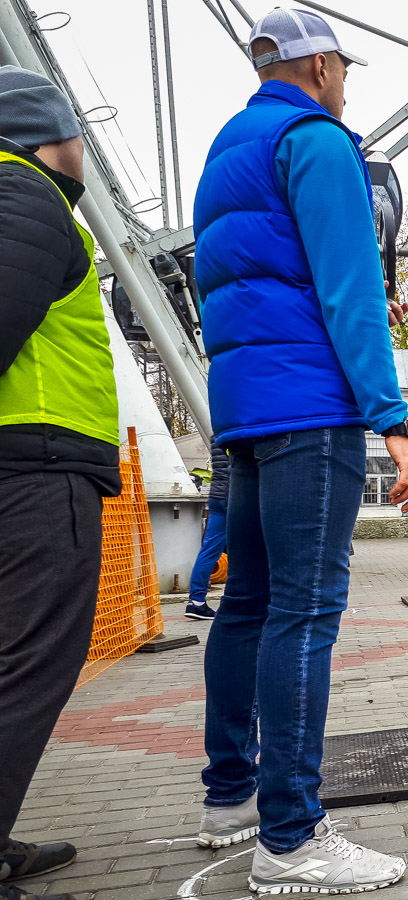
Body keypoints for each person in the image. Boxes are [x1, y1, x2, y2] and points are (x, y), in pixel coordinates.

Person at [191, 10, 408, 894]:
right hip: (311, 413)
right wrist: (394, 424)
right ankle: (291, 837)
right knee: (305, 612)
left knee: (247, 605)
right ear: (321, 66)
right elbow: (350, 290)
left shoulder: (229, 149)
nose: (348, 85)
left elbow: (249, 286)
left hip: (246, 413)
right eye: (345, 70)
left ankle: (230, 798)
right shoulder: (319, 142)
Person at [0, 65, 122, 900]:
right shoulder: (26, 199)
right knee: (32, 659)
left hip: (26, 461)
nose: (84, 146)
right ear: (48, 135)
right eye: (76, 131)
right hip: (37, 471)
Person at [185, 446, 229, 620]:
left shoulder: (218, 436)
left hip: (216, 496)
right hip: (234, 495)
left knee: (209, 550)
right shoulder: (237, 433)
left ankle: (196, 601)